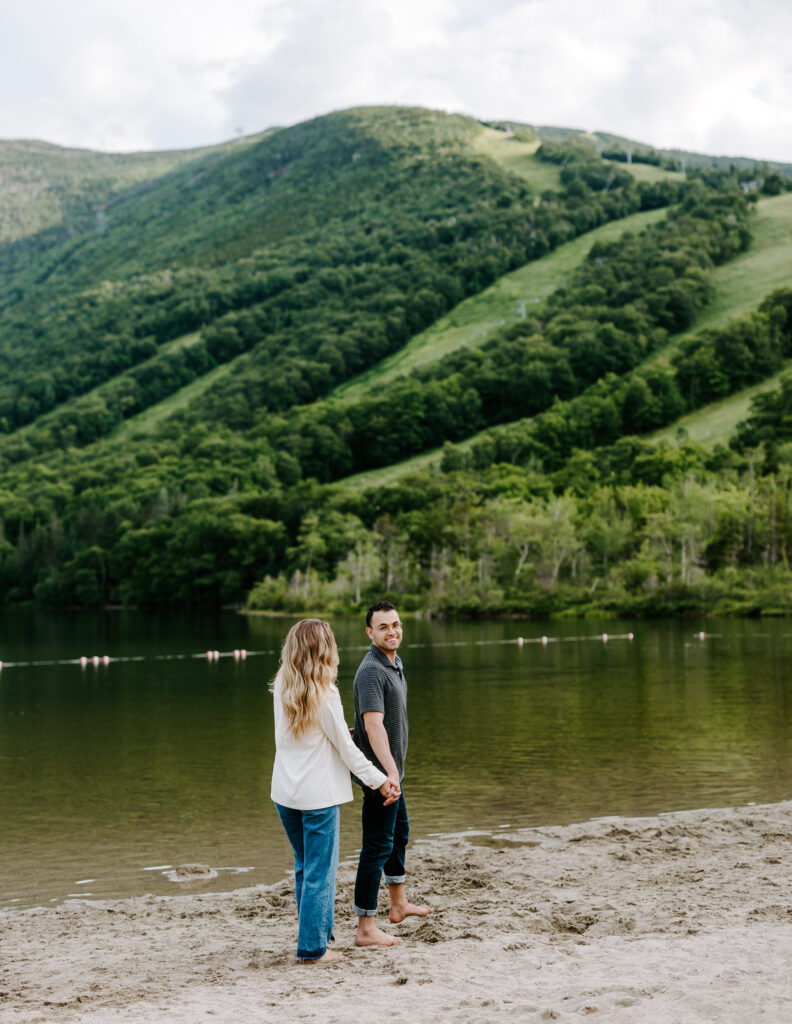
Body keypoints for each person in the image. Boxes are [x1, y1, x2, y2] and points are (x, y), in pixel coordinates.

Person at [271, 618, 400, 964]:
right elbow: (346, 749)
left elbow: (303, 737)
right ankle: (312, 949)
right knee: (320, 872)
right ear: (325, 649)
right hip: (318, 797)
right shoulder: (325, 692)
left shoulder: (283, 683)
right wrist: (380, 780)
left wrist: (336, 734)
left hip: (285, 792)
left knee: (305, 867)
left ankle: (318, 935)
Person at [352, 601, 433, 946]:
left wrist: (396, 773)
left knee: (399, 834)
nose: (392, 631)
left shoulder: (394, 663)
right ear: (370, 633)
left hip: (392, 773)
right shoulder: (372, 670)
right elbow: (373, 726)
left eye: (396, 625)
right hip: (378, 776)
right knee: (377, 846)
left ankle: (398, 905)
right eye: (383, 627)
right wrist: (388, 775)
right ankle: (365, 928)